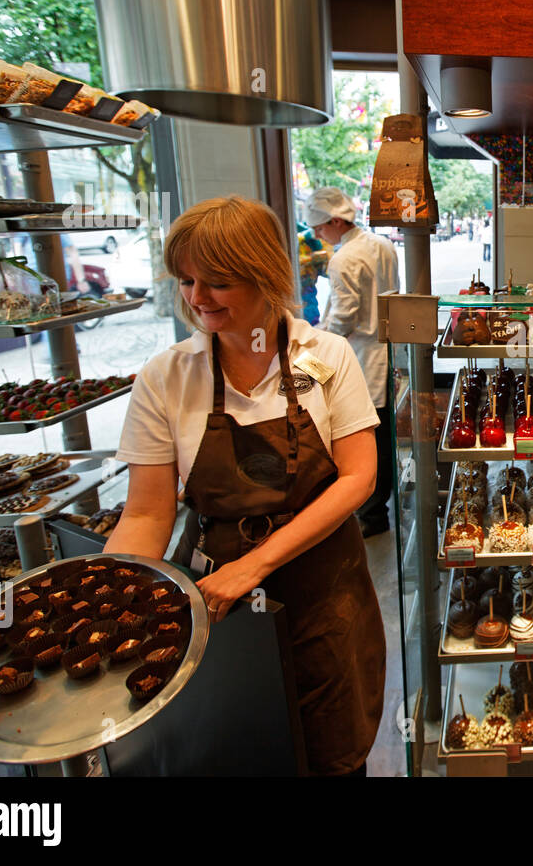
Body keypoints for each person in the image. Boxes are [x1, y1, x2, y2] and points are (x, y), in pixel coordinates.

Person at [107, 196, 386, 776]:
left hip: (322, 585)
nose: (197, 298)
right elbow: (146, 515)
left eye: (218, 281)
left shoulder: (325, 358)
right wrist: (111, 603)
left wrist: (256, 565)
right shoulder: (168, 377)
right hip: (220, 601)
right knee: (243, 746)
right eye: (186, 280)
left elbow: (358, 477)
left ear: (264, 274)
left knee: (330, 752)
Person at [304, 187, 401, 538]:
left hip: (361, 357)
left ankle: (372, 515)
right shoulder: (383, 245)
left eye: (318, 228)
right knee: (385, 435)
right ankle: (380, 507)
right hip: (388, 351)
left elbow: (343, 317)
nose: (316, 235)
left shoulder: (344, 259)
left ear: (334, 221)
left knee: (365, 438)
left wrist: (313, 342)